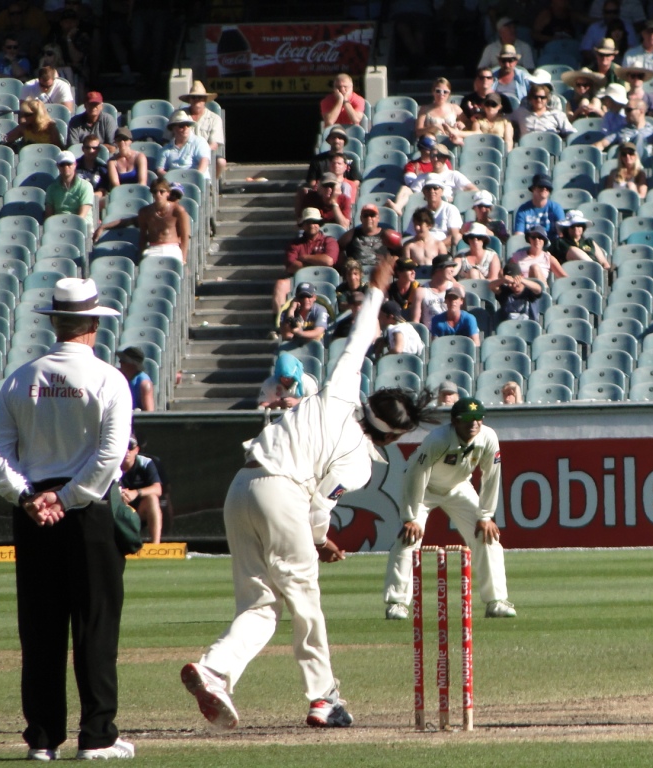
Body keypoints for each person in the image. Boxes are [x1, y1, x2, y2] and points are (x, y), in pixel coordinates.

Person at [181, 258, 433, 731]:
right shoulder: (360, 463)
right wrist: (319, 540)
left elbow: (359, 338)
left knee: (259, 605)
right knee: (305, 601)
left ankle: (215, 670)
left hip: (240, 487)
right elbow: (320, 504)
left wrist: (377, 289)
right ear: (392, 438)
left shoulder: (339, 391)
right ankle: (323, 699)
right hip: (284, 497)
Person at [0, 277, 135, 761]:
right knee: (96, 626)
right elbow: (110, 456)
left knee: (41, 630)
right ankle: (98, 735)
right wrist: (67, 498)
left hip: (33, 513)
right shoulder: (110, 379)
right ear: (91, 324)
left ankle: (42, 739)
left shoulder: (21, 376)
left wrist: (26, 495)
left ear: (56, 323)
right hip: (86, 513)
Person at [383, 396, 516, 620]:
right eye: (467, 419)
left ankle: (496, 601)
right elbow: (416, 475)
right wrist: (410, 517)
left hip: (458, 487)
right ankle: (396, 603)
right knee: (409, 538)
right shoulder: (438, 439)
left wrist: (485, 515)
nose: (473, 424)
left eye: (478, 418)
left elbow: (491, 477)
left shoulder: (488, 437)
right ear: (454, 421)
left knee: (487, 535)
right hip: (424, 488)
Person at [272, 209, 339, 325]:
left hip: (324, 279)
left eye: (315, 221)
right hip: (299, 281)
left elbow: (329, 261)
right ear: (303, 225)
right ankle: (279, 325)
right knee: (280, 284)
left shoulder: (329, 241)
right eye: (308, 222)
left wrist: (304, 257)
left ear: (320, 224)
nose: (312, 225)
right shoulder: (295, 244)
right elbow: (291, 266)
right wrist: (318, 261)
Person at [119, 432, 163, 544]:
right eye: (124, 447)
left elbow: (158, 489)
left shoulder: (145, 463)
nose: (127, 451)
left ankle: (155, 546)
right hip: (117, 511)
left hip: (139, 512)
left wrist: (136, 493)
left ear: (137, 450)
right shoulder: (111, 463)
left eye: (130, 447)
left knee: (152, 499)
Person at [135, 179, 190, 264]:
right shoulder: (144, 212)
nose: (158, 194)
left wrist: (184, 257)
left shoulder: (178, 210)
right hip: (153, 248)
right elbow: (143, 235)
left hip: (172, 248)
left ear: (168, 193)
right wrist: (141, 254)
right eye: (155, 191)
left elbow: (184, 236)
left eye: (162, 191)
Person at [182, 81, 226, 180]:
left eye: (200, 97)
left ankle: (211, 187)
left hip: (206, 153)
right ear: (189, 99)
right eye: (193, 97)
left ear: (205, 99)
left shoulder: (215, 118)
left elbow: (214, 144)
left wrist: (200, 153)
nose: (196, 100)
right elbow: (168, 138)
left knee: (221, 162)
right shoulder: (179, 115)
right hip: (183, 153)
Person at [156, 110, 211, 180]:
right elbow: (159, 170)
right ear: (173, 128)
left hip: (196, 182)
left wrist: (194, 178)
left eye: (187, 125)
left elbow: (204, 162)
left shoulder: (200, 142)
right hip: (174, 184)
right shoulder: (165, 149)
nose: (185, 128)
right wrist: (172, 179)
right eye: (181, 126)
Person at [410, 253, 461, 327]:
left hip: (450, 333)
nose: (452, 270)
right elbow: (416, 321)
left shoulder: (456, 289)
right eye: (449, 266)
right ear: (438, 269)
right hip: (430, 334)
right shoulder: (421, 291)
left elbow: (462, 318)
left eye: (453, 266)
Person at [510, 83, 576, 139]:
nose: (539, 100)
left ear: (547, 99)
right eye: (535, 97)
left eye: (542, 97)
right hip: (526, 150)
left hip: (549, 149)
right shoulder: (521, 112)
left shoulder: (557, 114)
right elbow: (504, 119)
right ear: (530, 99)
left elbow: (570, 131)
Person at [45, 150, 93, 221]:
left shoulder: (85, 186)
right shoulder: (51, 188)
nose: (66, 167)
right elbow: (49, 216)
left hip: (81, 226)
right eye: (62, 164)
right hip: (59, 225)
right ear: (58, 166)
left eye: (69, 164)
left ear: (75, 164)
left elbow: (82, 216)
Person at [513, 173, 565, 238]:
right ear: (533, 189)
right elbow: (519, 235)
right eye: (541, 186)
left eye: (547, 188)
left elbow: (562, 234)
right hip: (530, 245)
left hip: (552, 246)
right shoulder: (523, 210)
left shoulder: (556, 208)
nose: (544, 189)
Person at [75, 133, 109, 205]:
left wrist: (87, 198)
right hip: (76, 200)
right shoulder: (74, 166)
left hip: (95, 202)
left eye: (94, 148)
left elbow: (102, 191)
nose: (91, 151)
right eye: (88, 148)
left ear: (98, 150)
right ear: (83, 149)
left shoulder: (103, 169)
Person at [116, 346, 154, 411]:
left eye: (123, 360)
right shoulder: (117, 377)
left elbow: (149, 413)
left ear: (132, 364)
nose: (120, 362)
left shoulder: (144, 384)